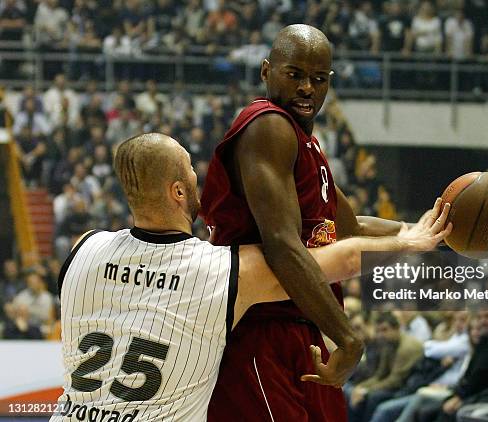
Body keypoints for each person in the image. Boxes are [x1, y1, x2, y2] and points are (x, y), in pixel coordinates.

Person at [51, 133, 452, 421]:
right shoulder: (217, 270)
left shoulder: (83, 248)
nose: (198, 177)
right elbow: (338, 260)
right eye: (191, 169)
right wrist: (411, 239)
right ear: (177, 191)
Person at [199, 24, 448, 421]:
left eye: (318, 79)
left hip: (301, 330)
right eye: (294, 74)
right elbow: (282, 244)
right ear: (266, 71)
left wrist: (419, 231)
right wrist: (348, 337)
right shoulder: (268, 126)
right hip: (258, 328)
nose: (307, 88)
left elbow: (348, 229)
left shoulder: (306, 143)